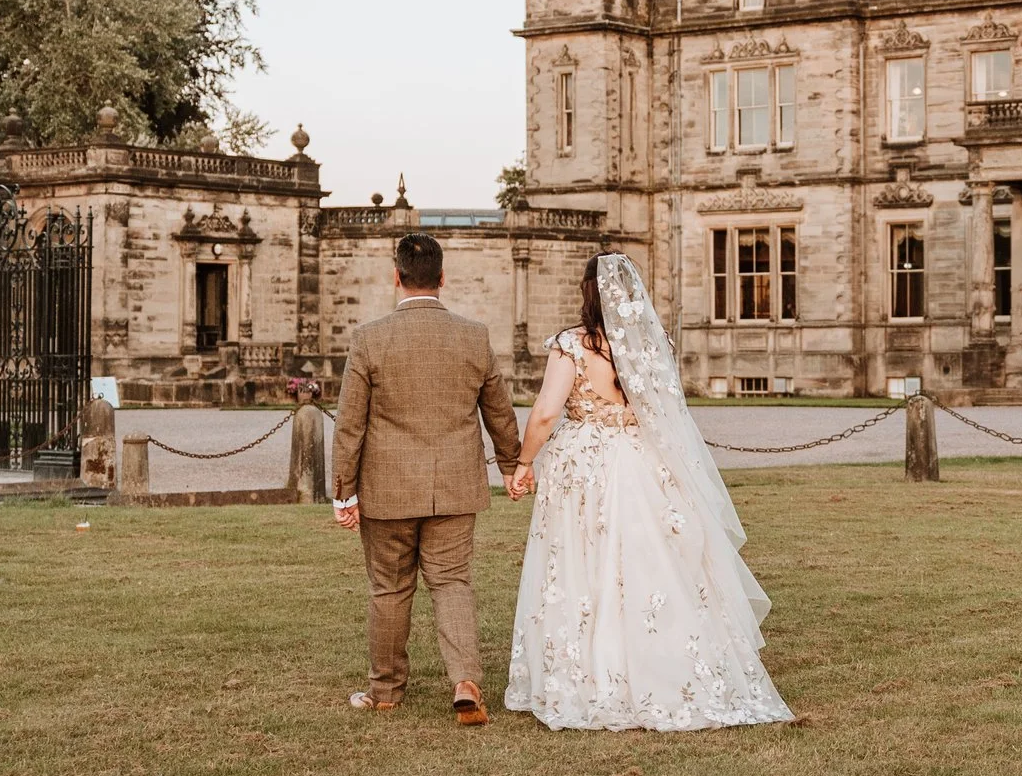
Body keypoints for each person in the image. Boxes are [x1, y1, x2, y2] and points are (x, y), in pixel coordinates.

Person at [502, 251, 792, 730]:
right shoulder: (652, 346)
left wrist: (523, 462)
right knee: (649, 562)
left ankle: (594, 678)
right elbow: (666, 415)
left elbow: (546, 413)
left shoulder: (572, 346)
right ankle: (664, 667)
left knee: (582, 563)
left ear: (588, 294)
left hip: (587, 466)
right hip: (643, 460)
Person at [330, 232, 523, 725]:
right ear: (442, 278)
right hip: (457, 484)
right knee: (452, 582)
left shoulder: (369, 338)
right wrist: (511, 464)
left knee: (389, 588)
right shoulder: (473, 335)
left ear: (396, 277)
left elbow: (350, 422)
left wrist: (342, 492)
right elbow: (499, 411)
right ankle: (465, 681)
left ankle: (386, 690)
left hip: (386, 487)